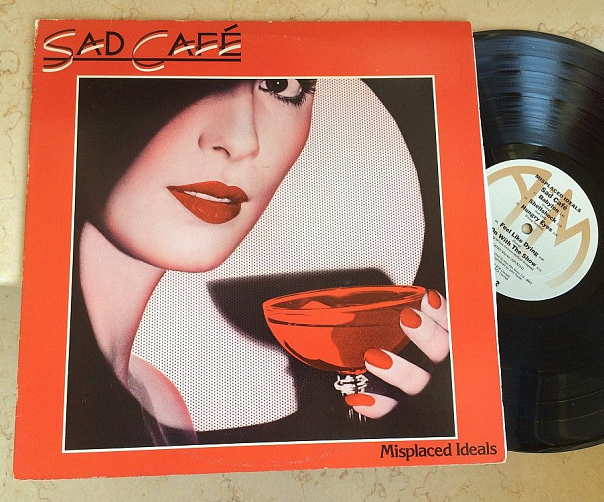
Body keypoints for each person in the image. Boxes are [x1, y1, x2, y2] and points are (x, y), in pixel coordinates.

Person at [65, 78, 450, 449]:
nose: (243, 141)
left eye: (280, 85)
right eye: (190, 76)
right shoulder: (67, 414)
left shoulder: (158, 401)